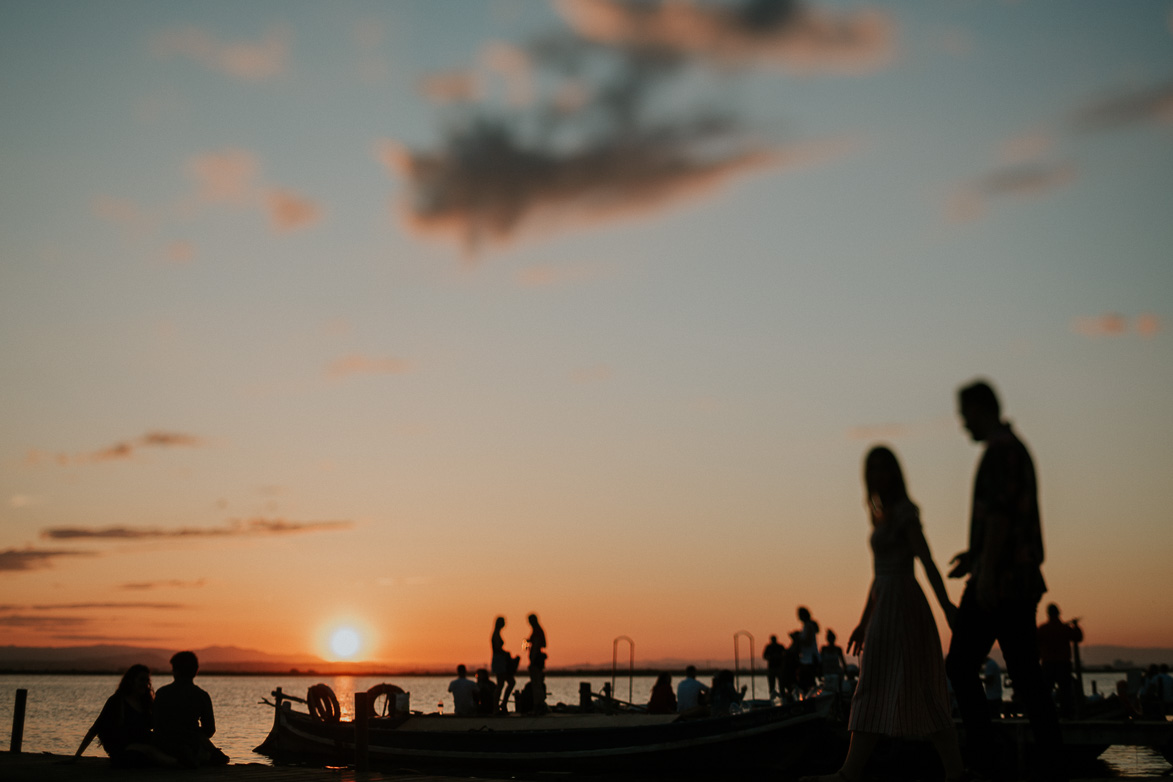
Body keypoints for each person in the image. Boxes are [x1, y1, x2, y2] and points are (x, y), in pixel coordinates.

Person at [802, 446, 963, 782]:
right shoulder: (880, 514)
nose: (877, 475)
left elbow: (927, 560)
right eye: (872, 468)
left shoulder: (905, 512)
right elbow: (877, 576)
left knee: (918, 685)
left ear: (894, 473)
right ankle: (849, 772)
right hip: (883, 604)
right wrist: (862, 622)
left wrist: (947, 606)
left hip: (904, 604)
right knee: (873, 684)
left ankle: (954, 772)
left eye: (883, 468)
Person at [945, 380, 1063, 778]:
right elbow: (1009, 517)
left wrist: (986, 571)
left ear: (981, 408)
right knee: (1027, 676)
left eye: (965, 416)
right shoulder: (1015, 450)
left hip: (1002, 579)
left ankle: (986, 759)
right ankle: (1050, 763)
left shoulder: (999, 453)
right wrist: (974, 556)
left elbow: (998, 518)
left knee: (960, 666)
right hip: (1018, 576)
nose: (963, 425)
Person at [71, 664, 177, 767]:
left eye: (147, 680)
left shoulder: (146, 702)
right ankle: (179, 765)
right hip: (123, 750)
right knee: (149, 751)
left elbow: (157, 724)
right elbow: (95, 728)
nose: (145, 683)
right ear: (131, 680)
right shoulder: (116, 701)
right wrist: (76, 756)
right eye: (141, 679)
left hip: (143, 745)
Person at [153, 651, 228, 767]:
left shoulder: (162, 693)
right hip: (191, 743)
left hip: (163, 745)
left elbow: (156, 723)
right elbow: (210, 729)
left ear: (175, 671)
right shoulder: (201, 695)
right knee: (196, 736)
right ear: (196, 671)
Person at [1037, 603, 1083, 716]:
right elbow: (1078, 637)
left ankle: (1044, 713)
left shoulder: (1043, 629)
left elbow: (1035, 644)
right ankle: (1067, 714)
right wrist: (1076, 626)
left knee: (1046, 690)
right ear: (1058, 613)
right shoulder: (1064, 629)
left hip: (1048, 664)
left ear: (1048, 614)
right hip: (1063, 664)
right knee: (1065, 691)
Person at [490, 616, 519, 712]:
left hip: (501, 661)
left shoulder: (497, 633)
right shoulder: (495, 634)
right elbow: (497, 649)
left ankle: (503, 703)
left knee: (510, 683)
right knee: (501, 684)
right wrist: (507, 654)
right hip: (499, 662)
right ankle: (496, 707)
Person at [795, 607, 821, 693]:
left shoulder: (809, 626)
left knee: (808, 680)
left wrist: (797, 638)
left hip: (810, 659)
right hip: (806, 658)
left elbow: (808, 641)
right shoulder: (806, 626)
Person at [526, 613, 548, 714]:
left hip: (536, 661)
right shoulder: (538, 630)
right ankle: (540, 705)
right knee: (538, 683)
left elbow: (538, 645)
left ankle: (538, 706)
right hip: (537, 660)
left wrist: (532, 660)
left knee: (536, 684)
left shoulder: (537, 631)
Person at [819, 630, 848, 694]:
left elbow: (843, 662)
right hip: (827, 672)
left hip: (836, 671)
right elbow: (820, 661)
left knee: (840, 684)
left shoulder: (838, 649)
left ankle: (840, 693)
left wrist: (846, 670)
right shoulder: (824, 649)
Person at [763, 634, 786, 698]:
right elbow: (764, 656)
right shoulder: (769, 647)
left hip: (779, 668)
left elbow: (785, 655)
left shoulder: (780, 646)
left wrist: (779, 657)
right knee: (772, 685)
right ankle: (772, 698)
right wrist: (771, 657)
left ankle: (782, 697)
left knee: (781, 685)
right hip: (772, 668)